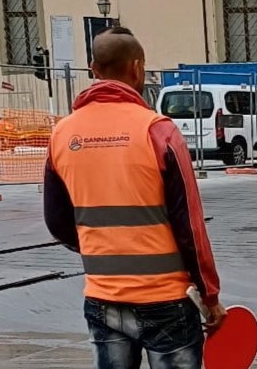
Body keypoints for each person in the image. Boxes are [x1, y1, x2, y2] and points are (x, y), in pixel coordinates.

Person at [44, 26, 224, 369]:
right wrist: (210, 296)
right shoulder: (159, 131)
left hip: (103, 298)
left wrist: (105, 249)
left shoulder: (62, 133)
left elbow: (57, 221)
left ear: (94, 71)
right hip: (166, 300)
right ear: (137, 67)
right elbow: (190, 226)